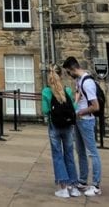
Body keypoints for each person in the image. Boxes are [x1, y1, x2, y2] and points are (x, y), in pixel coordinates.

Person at [63, 56, 102, 197]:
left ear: (73, 69)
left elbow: (95, 106)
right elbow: (79, 98)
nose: (69, 75)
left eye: (68, 72)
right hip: (79, 120)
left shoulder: (88, 83)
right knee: (80, 152)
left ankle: (96, 185)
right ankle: (83, 181)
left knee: (92, 152)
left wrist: (80, 112)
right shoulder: (79, 81)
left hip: (86, 120)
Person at [42, 63, 80, 199]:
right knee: (69, 155)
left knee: (58, 156)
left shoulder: (46, 92)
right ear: (61, 75)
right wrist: (76, 99)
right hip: (68, 127)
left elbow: (45, 111)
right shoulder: (67, 90)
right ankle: (73, 187)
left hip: (54, 127)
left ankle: (63, 188)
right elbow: (73, 108)